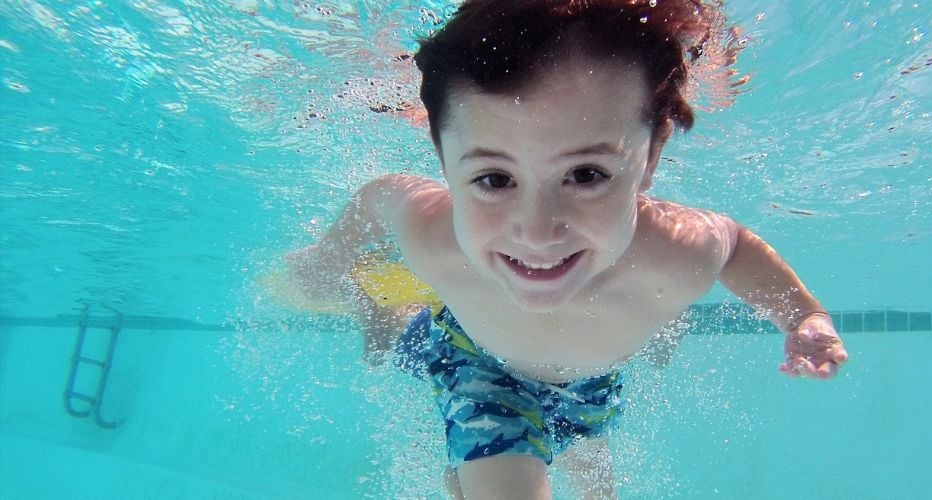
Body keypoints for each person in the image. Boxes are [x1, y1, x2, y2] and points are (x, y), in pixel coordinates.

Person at [282, 1, 849, 498]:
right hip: (475, 362)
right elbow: (379, 197)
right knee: (491, 461)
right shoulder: (433, 234)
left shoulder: (678, 251)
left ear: (649, 159)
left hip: (591, 382)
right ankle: (383, 312)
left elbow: (734, 247)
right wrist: (327, 259)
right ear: (443, 158)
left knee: (594, 477)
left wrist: (802, 314)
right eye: (495, 179)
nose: (537, 233)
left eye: (585, 174)